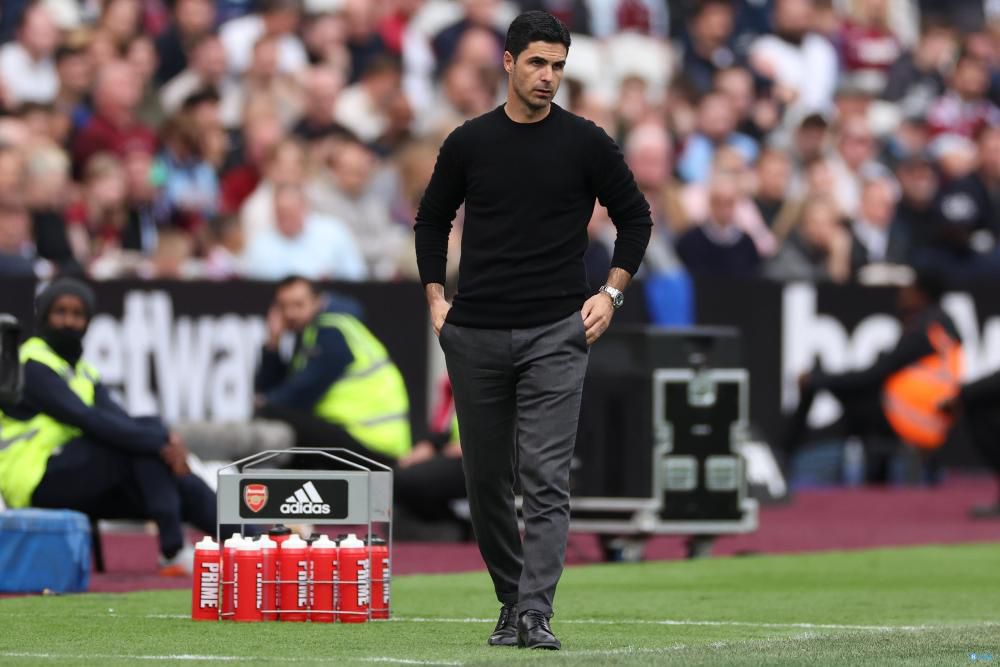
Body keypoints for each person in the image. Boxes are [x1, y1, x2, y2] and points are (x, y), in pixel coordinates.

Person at [413, 11, 651, 650]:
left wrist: (612, 292)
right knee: (486, 479)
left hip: (556, 332)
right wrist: (436, 297)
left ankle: (534, 612)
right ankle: (510, 597)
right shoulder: (469, 142)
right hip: (476, 332)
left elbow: (635, 218)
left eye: (559, 67)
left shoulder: (586, 142)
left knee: (545, 477)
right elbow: (431, 220)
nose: (549, 77)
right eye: (539, 63)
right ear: (510, 64)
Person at [0, 278, 216, 575]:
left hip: (77, 473)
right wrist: (162, 441)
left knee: (168, 466)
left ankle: (253, 541)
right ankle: (172, 550)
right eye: (60, 312)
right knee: (139, 447)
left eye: (77, 314)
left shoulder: (84, 371)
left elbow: (123, 421)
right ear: (43, 316)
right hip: (34, 479)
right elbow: (89, 420)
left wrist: (164, 438)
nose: (68, 321)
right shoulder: (31, 363)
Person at [782, 271, 963, 483]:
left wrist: (821, 378)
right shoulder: (946, 326)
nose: (901, 294)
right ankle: (875, 472)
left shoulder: (924, 329)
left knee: (818, 384)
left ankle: (783, 458)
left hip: (907, 417)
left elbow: (875, 374)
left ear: (921, 294)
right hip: (933, 419)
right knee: (858, 400)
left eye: (908, 288)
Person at [253, 276, 411, 469]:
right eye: (283, 307)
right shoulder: (311, 334)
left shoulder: (333, 332)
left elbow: (297, 397)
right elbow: (273, 387)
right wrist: (273, 343)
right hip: (359, 436)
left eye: (298, 304)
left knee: (272, 414)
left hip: (373, 443)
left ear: (318, 301)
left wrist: (264, 404)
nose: (290, 313)